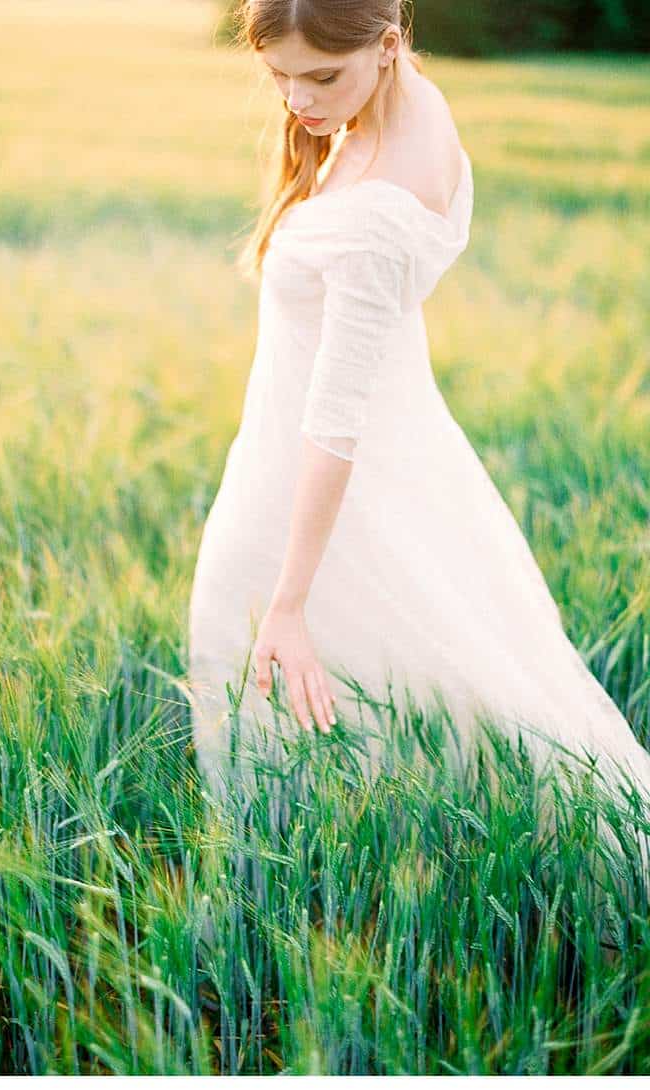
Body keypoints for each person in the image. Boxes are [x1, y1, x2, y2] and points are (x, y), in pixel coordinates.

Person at [187, 0, 650, 865]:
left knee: (303, 668)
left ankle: (309, 877)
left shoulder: (376, 217)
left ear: (389, 44)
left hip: (324, 482)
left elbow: (337, 413)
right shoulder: (412, 100)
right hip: (394, 463)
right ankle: (358, 865)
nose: (298, 102)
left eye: (321, 76)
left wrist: (290, 600)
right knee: (428, 685)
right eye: (279, 76)